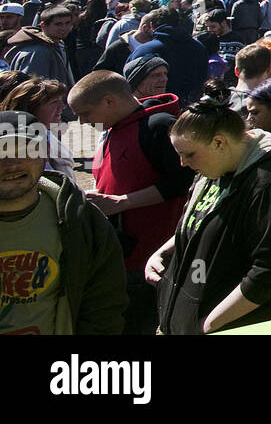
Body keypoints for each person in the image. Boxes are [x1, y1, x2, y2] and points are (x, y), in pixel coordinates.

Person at [147, 100, 271, 334]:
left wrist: (211, 323)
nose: (183, 163)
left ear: (219, 142)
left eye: (189, 154)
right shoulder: (218, 165)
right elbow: (209, 218)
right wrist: (166, 249)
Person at [67, 71, 190, 334]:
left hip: (153, 259)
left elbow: (182, 183)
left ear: (109, 101)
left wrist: (122, 202)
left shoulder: (157, 126)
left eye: (85, 113)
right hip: (122, 257)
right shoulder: (114, 129)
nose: (81, 121)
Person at [0, 109, 128, 334]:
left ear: (46, 152)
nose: (12, 163)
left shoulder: (80, 220)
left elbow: (105, 305)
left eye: (25, 150)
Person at [124, 6, 209, 105]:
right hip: (189, 109)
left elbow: (129, 81)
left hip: (153, 110)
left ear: (151, 25)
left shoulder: (145, 50)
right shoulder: (199, 48)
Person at [0, 77, 77, 179]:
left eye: (60, 101)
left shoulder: (49, 137)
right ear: (31, 107)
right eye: (54, 102)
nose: (62, 106)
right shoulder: (18, 147)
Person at [5, 5, 75, 89]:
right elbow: (33, 87)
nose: (64, 28)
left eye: (67, 23)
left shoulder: (57, 44)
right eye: (58, 24)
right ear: (43, 25)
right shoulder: (38, 52)